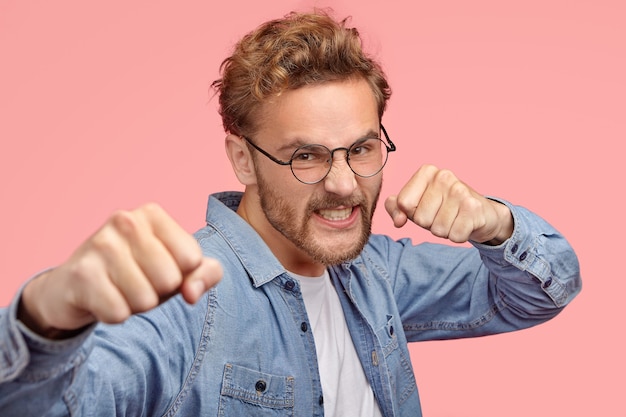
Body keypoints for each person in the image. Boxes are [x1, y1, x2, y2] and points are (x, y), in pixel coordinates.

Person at [0, 10, 581, 417]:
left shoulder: (377, 272)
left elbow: (539, 293)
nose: (344, 184)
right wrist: (48, 315)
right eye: (306, 155)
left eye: (361, 149)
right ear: (242, 160)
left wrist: (495, 226)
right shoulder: (185, 305)